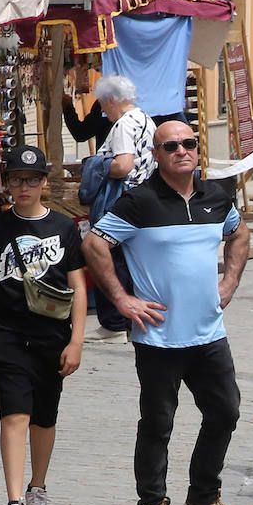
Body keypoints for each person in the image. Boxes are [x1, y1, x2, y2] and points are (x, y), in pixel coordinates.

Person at [82, 122, 251, 505]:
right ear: (155, 154)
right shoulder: (139, 201)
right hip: (158, 336)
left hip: (209, 333)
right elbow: (93, 244)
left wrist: (229, 281)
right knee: (158, 423)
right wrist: (123, 300)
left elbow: (239, 233)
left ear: (198, 149)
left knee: (225, 412)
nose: (181, 151)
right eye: (170, 146)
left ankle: (204, 495)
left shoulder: (217, 196)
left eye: (189, 144)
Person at [0, 146, 87, 505]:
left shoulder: (64, 228)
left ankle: (38, 489)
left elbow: (78, 287)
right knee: (14, 412)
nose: (24, 187)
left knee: (43, 416)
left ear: (43, 184)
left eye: (32, 180)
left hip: (52, 336)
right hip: (6, 335)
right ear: (9, 182)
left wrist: (77, 341)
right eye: (17, 179)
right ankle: (14, 502)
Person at [89, 74, 158, 342]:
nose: (103, 111)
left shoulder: (123, 125)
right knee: (132, 261)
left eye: (103, 104)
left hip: (122, 200)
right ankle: (130, 321)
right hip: (143, 198)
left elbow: (123, 165)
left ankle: (114, 323)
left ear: (111, 99)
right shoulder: (146, 120)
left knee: (108, 257)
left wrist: (99, 165)